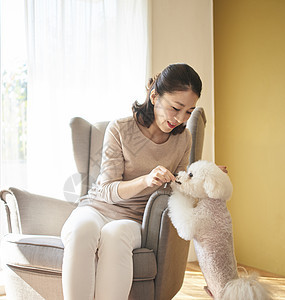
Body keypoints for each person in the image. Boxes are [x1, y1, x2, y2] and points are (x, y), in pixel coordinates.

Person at [60, 63, 202, 300]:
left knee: (115, 236)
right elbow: (106, 190)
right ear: (154, 96)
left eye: (189, 111)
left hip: (135, 219)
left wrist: (201, 174)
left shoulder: (183, 138)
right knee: (81, 230)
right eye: (176, 108)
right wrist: (146, 180)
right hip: (97, 208)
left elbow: (179, 185)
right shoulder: (120, 129)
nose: (180, 118)